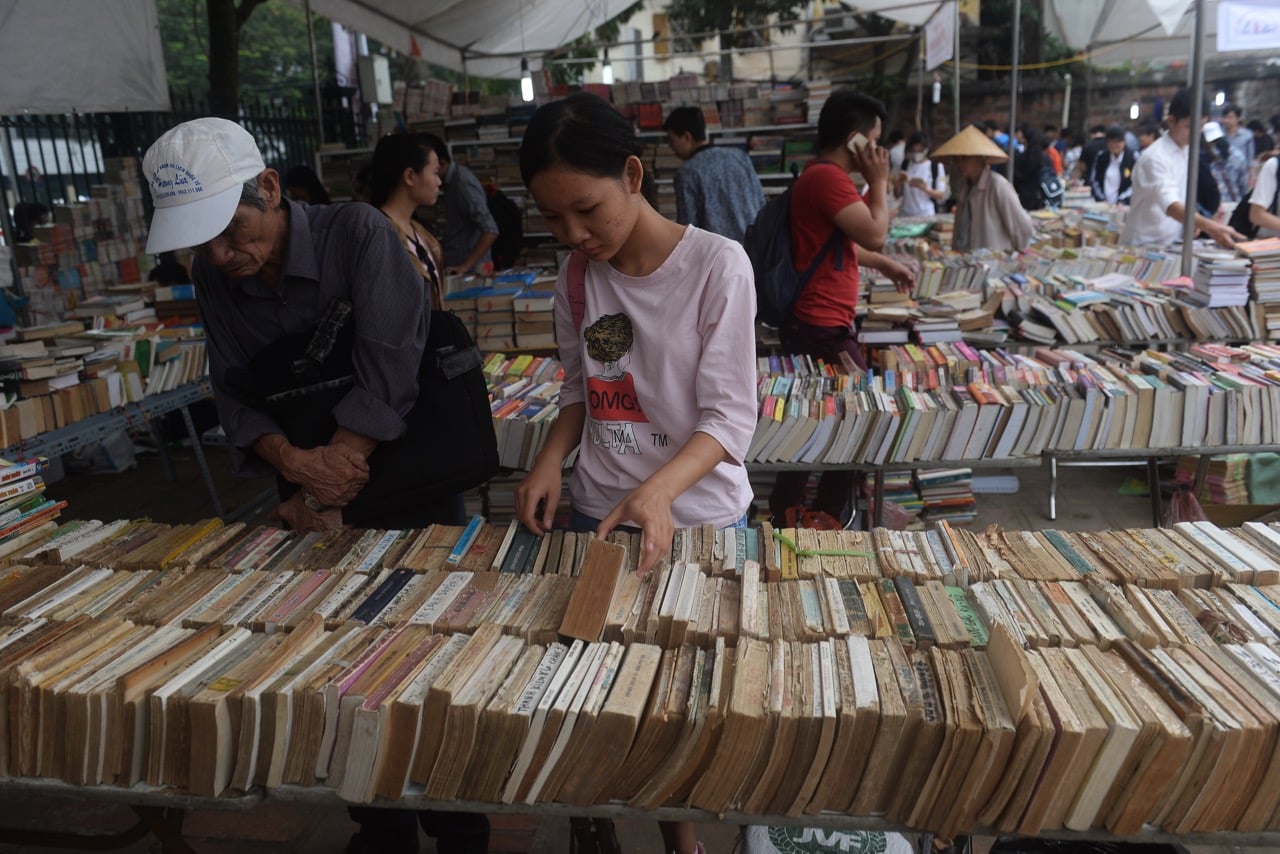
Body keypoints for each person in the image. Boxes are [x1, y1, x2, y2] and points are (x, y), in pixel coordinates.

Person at [140, 117, 490, 854]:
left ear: (270, 188)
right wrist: (295, 470)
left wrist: (336, 465)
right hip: (307, 483)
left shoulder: (357, 234)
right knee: (342, 651)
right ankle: (379, 819)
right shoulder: (215, 273)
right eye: (201, 240)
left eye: (231, 229)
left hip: (407, 469)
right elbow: (232, 389)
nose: (219, 253)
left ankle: (459, 819)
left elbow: (394, 356)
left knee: (431, 642)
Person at [514, 92, 757, 854]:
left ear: (632, 173)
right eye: (553, 220)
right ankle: (656, 833)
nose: (574, 235)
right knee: (612, 693)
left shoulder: (718, 265)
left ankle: (684, 834)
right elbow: (584, 392)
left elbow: (729, 418)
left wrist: (658, 491)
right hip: (598, 516)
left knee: (693, 701)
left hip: (700, 521)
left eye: (586, 211)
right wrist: (550, 459)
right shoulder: (579, 278)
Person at [766, 89, 915, 522]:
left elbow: (844, 243)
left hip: (819, 324)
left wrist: (885, 265)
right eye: (875, 140)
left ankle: (798, 513)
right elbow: (874, 233)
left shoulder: (820, 177)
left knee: (818, 419)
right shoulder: (828, 178)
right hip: (823, 327)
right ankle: (824, 514)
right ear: (855, 140)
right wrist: (881, 181)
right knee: (854, 422)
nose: (879, 151)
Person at [1121, 88, 1241, 249]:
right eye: (1190, 126)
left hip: (1171, 243)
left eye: (1201, 126)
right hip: (1143, 245)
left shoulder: (1187, 150)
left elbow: (1180, 197)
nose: (1196, 133)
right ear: (1171, 121)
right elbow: (1170, 204)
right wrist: (1209, 226)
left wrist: (1192, 221)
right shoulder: (1154, 157)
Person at [661, 105, 765, 243]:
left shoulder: (687, 173)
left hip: (719, 256)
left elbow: (688, 229)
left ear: (687, 137)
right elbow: (761, 202)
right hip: (756, 247)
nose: (671, 147)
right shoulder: (739, 156)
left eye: (672, 141)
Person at [369, 132, 447, 309]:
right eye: (434, 172)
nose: (439, 181)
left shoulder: (420, 232)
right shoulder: (379, 234)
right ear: (410, 176)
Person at [934, 124, 1034, 252]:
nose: (959, 164)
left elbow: (1022, 227)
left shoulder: (998, 185)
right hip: (967, 258)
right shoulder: (964, 185)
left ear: (980, 158)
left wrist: (1011, 256)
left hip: (993, 261)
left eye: (964, 159)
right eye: (957, 159)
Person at [424, 136, 499, 275]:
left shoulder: (462, 184)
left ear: (441, 162)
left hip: (471, 271)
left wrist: (464, 266)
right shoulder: (450, 183)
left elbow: (490, 230)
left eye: (433, 171)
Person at [896, 132, 947, 217]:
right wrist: (898, 183)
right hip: (906, 213)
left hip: (926, 213)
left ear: (926, 150)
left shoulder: (935, 167)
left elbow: (941, 194)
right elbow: (897, 194)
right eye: (914, 151)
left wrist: (925, 188)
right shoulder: (905, 165)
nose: (916, 154)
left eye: (920, 151)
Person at [1089, 125, 1136, 205]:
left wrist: (1122, 200)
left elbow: (1135, 183)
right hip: (1104, 204)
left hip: (1124, 205)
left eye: (1118, 141)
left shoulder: (1132, 158)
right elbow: (1094, 180)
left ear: (1124, 142)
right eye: (1111, 141)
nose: (1115, 145)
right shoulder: (1101, 157)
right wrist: (1101, 199)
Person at [1011, 127, 1053, 211]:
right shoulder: (1045, 156)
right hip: (1043, 194)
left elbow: (1017, 176)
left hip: (1025, 194)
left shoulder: (1023, 156)